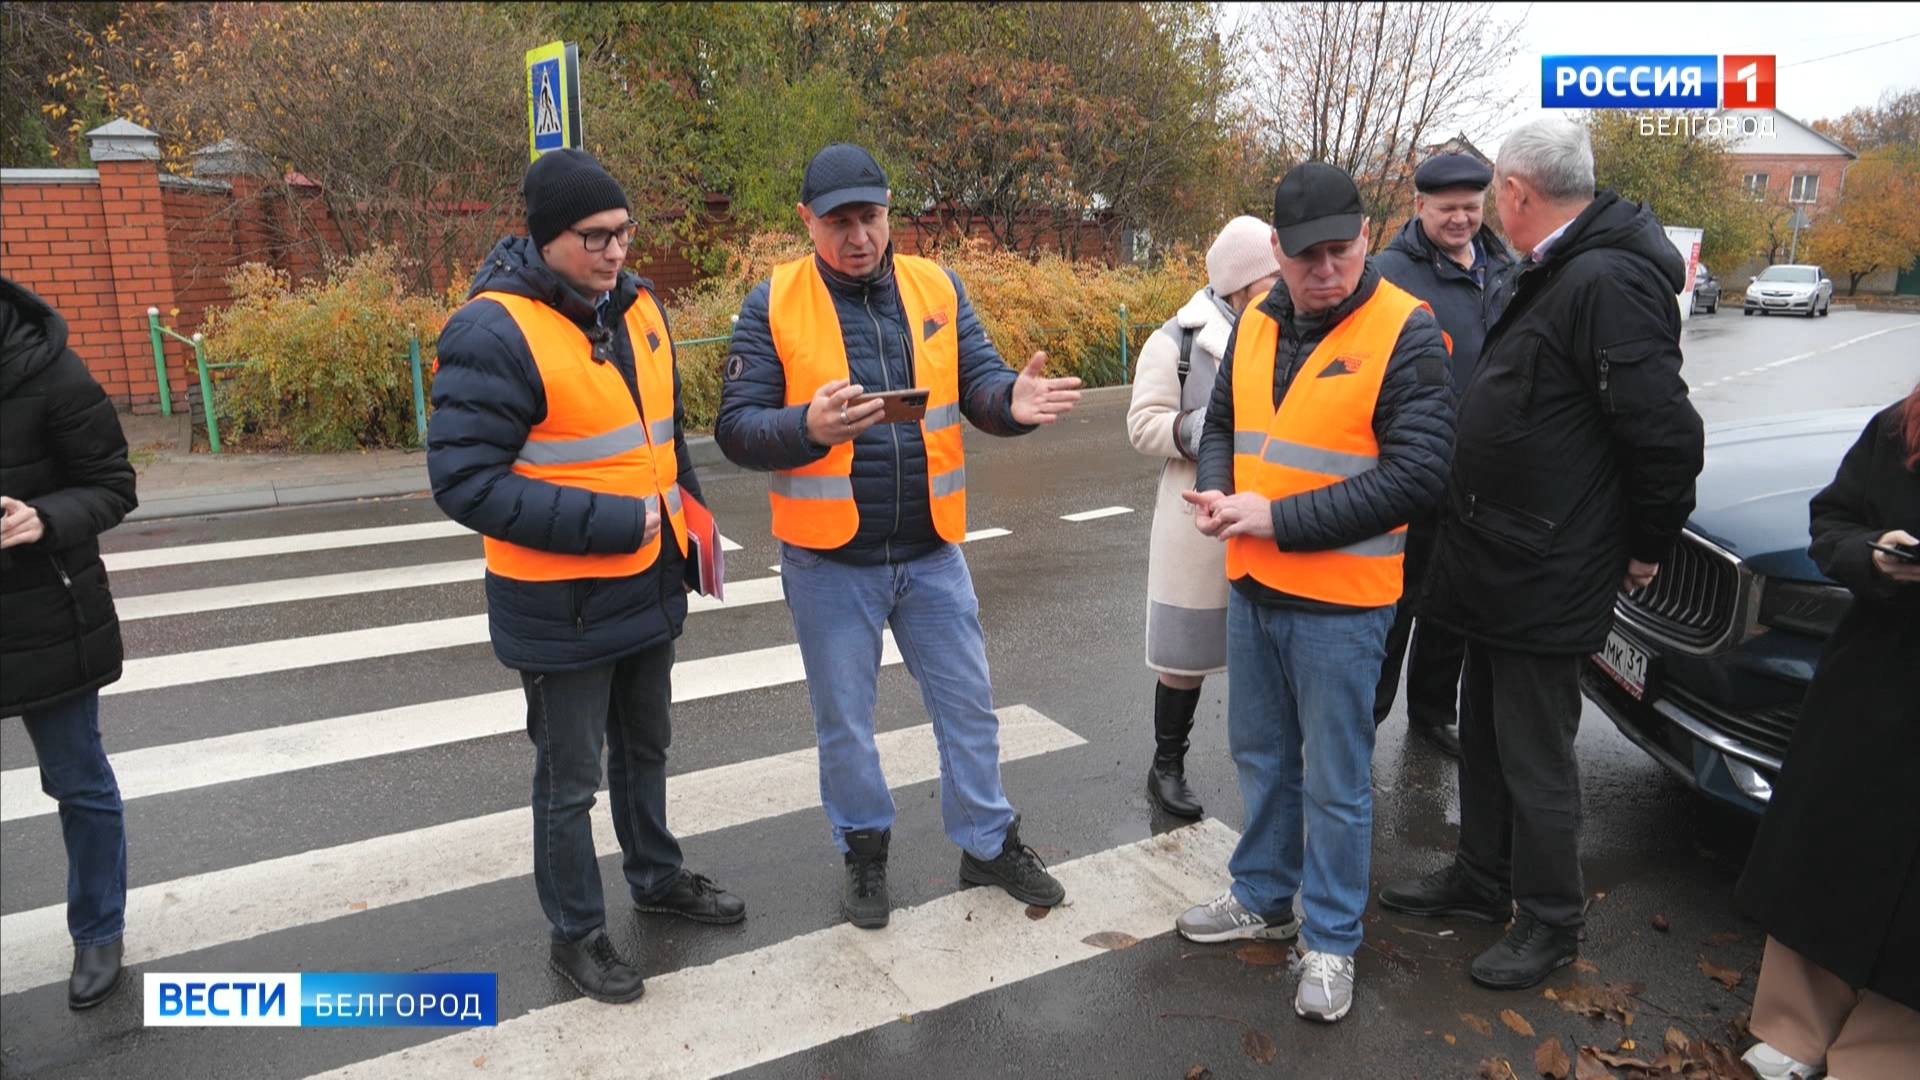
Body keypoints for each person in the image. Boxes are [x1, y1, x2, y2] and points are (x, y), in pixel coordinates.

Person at [714, 143, 1083, 930]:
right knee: (845, 722)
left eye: (871, 218)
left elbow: (980, 383)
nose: (859, 238)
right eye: (840, 222)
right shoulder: (772, 301)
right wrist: (804, 427)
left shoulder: (935, 286)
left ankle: (987, 842)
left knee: (971, 710)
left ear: (890, 215)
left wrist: (1011, 403)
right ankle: (865, 853)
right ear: (806, 221)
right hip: (829, 561)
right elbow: (737, 429)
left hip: (931, 552)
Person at [1380, 117, 1705, 991]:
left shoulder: (1604, 279)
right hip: (1501, 553)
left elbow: (1667, 435)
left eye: (1496, 195)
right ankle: (1483, 880)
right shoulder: (1561, 266)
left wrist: (1645, 544)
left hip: (1548, 562)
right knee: (1484, 730)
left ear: (1517, 194)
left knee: (1535, 753)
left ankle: (1552, 922)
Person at [428, 149, 744, 1005]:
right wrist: (611, 525)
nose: (615, 252)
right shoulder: (493, 330)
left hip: (648, 584)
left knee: (646, 748)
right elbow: (464, 482)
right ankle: (577, 934)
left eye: (623, 234)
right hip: (558, 605)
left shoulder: (639, 309)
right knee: (570, 781)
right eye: (594, 237)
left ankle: (656, 874)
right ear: (544, 238)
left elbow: (662, 440)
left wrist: (692, 531)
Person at [1179, 162, 1455, 1023]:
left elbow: (1419, 474)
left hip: (1343, 603)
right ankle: (1262, 893)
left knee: (1336, 782)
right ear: (1276, 250)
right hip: (1257, 585)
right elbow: (1221, 422)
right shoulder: (1257, 322)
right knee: (1263, 758)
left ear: (1366, 237)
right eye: (1306, 257)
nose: (1324, 270)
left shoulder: (1405, 330)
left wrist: (1275, 517)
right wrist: (1223, 493)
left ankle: (1331, 940)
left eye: (1340, 250)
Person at [1733, 385, 1920, 1080]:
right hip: (1875, 681)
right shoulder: (1900, 427)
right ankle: (1794, 1027)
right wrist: (1872, 555)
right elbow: (1832, 520)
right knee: (1829, 853)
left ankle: (1881, 1056)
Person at [1, 275, 138, 1010]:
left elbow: (113, 484)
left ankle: (98, 927)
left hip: (45, 614)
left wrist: (43, 518)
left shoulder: (50, 369)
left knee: (77, 780)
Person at [1126, 215, 1283, 819]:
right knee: (1183, 657)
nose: (1281, 285)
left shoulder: (1294, 329)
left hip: (1272, 511)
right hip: (1197, 513)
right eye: (1267, 278)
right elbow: (1143, 425)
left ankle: (1268, 773)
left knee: (1269, 653)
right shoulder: (1177, 340)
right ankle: (1166, 766)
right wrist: (1210, 430)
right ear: (1235, 285)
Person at [1368, 152, 1518, 758]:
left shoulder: (1504, 266)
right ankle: (1368, 718)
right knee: (1394, 606)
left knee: (1452, 604)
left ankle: (1432, 711)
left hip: (1478, 475)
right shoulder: (1388, 274)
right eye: (1447, 208)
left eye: (1471, 208)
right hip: (1406, 469)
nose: (1461, 219)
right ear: (1419, 206)